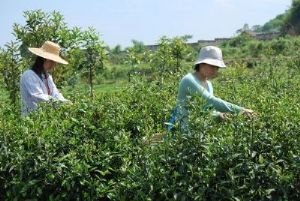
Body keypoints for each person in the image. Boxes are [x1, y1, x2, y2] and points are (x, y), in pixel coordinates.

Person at [167, 46, 254, 134]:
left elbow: (206, 110)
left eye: (217, 67)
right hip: (183, 134)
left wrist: (218, 116)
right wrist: (241, 110)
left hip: (199, 134)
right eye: (212, 66)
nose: (215, 70)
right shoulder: (189, 80)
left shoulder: (209, 84)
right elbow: (210, 101)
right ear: (201, 64)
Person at [20, 41, 70, 115]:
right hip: (30, 119)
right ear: (44, 59)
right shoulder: (29, 75)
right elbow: (38, 96)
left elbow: (56, 94)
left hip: (44, 119)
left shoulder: (47, 77)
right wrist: (61, 103)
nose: (54, 64)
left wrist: (67, 102)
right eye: (52, 61)